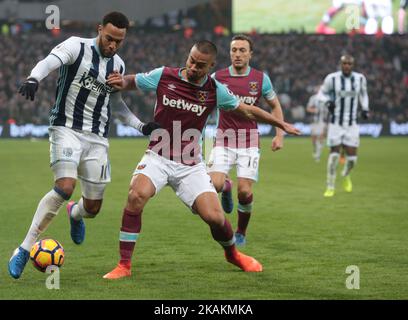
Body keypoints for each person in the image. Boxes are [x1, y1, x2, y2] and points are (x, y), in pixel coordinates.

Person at [102, 40, 300, 279]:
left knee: (215, 217)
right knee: (136, 195)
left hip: (190, 164)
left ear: (211, 66)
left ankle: (233, 254)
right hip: (158, 155)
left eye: (200, 65)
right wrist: (119, 81)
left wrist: (281, 124)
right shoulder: (164, 75)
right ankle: (124, 265)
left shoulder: (215, 90)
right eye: (191, 60)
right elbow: (130, 81)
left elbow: (247, 110)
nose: (194, 67)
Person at [8, 12, 159, 279]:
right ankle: (23, 248)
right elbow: (49, 62)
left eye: (119, 41)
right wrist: (34, 78)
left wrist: (141, 126)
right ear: (99, 29)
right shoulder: (75, 46)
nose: (113, 45)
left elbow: (116, 104)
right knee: (65, 186)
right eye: (109, 38)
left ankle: (75, 215)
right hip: (65, 128)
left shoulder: (119, 66)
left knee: (92, 209)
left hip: (97, 140)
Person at [206, 34, 284, 247]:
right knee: (215, 184)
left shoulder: (260, 79)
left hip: (249, 141)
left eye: (242, 50)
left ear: (251, 54)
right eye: (234, 50)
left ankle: (240, 231)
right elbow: (204, 104)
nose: (237, 54)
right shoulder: (217, 77)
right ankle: (226, 186)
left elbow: (275, 106)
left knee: (245, 191)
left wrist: (279, 134)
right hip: (223, 139)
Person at [319, 54, 369, 197]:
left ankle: (346, 174)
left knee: (352, 159)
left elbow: (364, 94)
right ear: (340, 64)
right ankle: (330, 186)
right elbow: (321, 94)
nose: (347, 66)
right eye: (344, 63)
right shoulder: (332, 79)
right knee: (334, 155)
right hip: (336, 123)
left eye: (349, 64)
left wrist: (365, 108)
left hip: (352, 124)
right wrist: (328, 101)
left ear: (353, 65)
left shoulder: (360, 79)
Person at [306, 86, 328, 163]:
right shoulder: (313, 98)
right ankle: (315, 149)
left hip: (322, 121)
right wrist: (315, 110)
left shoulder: (326, 99)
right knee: (314, 138)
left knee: (321, 136)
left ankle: (318, 154)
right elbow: (308, 108)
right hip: (314, 121)